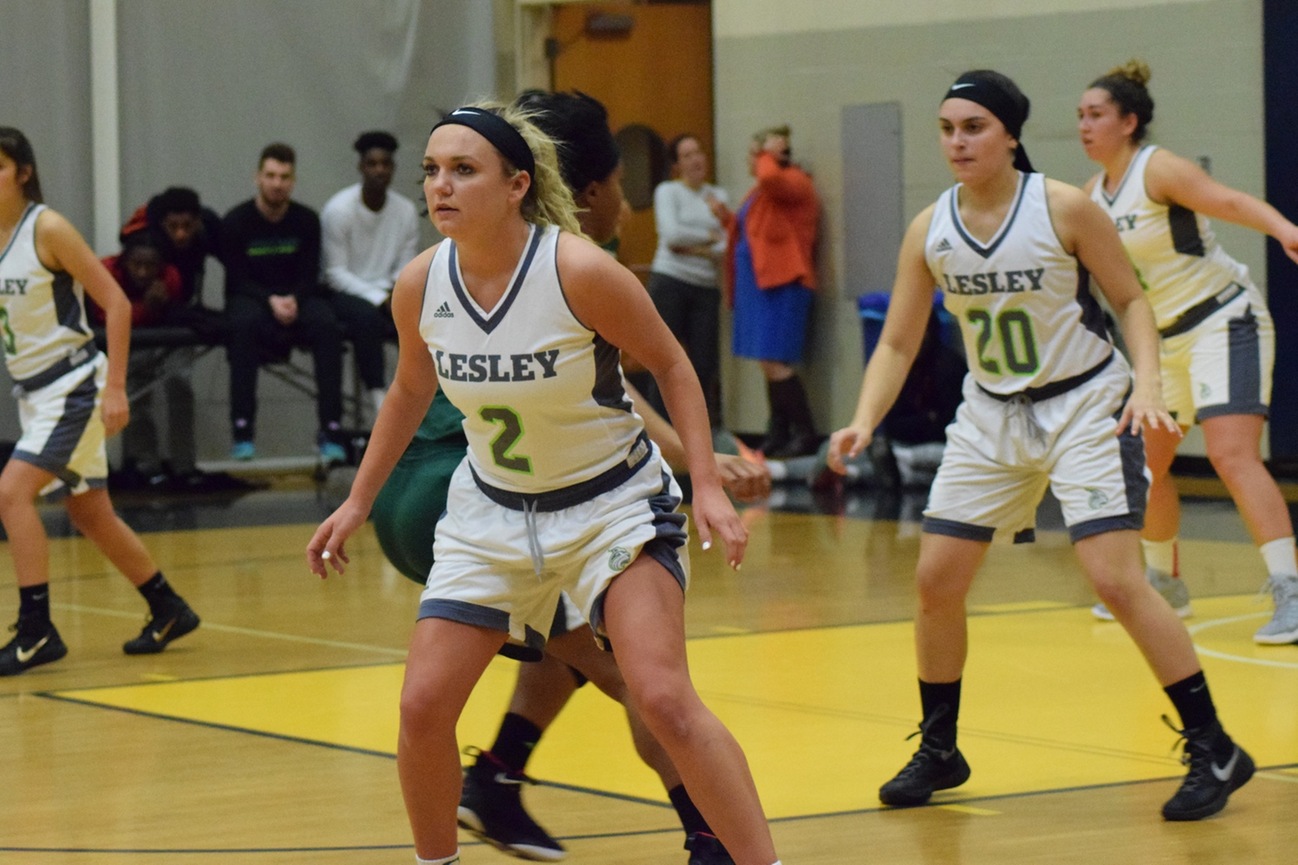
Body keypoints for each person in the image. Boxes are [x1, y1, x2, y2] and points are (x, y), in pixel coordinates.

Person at [308, 102, 782, 865]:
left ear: (516, 185)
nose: (441, 186)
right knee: (423, 706)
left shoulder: (580, 271)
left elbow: (671, 366)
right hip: (490, 513)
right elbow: (407, 391)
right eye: (432, 170)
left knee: (661, 697)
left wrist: (709, 484)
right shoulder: (420, 283)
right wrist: (357, 500)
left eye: (464, 170)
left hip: (611, 507)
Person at [826, 71, 1253, 822]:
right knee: (936, 580)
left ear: (1011, 134)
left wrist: (1148, 386)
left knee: (1116, 579)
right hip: (991, 412)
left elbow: (1131, 301)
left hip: (1086, 402)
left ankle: (1213, 742)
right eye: (947, 128)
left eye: (974, 127)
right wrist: (864, 417)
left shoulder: (1063, 207)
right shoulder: (930, 227)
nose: (957, 141)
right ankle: (940, 746)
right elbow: (898, 338)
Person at [1078, 60, 1298, 643]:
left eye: (1096, 114)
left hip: (1223, 320)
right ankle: (1163, 581)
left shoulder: (1158, 169)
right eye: (1079, 115)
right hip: (1162, 343)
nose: (1084, 125)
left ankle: (1291, 591)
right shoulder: (1087, 198)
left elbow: (1225, 200)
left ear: (1129, 122)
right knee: (1147, 463)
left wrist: (1283, 229)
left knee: (1231, 454)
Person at [0, 127, 200, 676]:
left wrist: (114, 387)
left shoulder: (48, 227)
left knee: (11, 494)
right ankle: (167, 608)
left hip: (73, 386)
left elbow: (114, 302)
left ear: (22, 172)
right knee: (90, 513)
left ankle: (37, 629)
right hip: (35, 393)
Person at [222, 142, 346, 463]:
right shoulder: (236, 221)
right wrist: (270, 300)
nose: (277, 183)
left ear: (293, 181)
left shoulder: (307, 220)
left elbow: (310, 273)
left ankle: (332, 429)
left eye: (284, 177)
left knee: (328, 325)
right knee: (242, 325)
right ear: (257, 178)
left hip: (297, 297)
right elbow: (236, 279)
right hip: (252, 298)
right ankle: (243, 431)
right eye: (271, 175)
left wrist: (294, 299)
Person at [722, 124, 821, 459]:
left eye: (757, 153)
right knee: (767, 362)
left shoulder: (792, 181)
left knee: (775, 362)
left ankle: (806, 433)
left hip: (784, 283)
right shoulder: (762, 193)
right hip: (760, 287)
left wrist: (770, 155)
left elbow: (769, 178)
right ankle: (778, 431)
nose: (753, 161)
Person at [321, 130, 421, 421]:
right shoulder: (338, 210)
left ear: (392, 168)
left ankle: (425, 401)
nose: (379, 170)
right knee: (366, 318)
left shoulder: (405, 211)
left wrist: (395, 294)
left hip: (390, 292)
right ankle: (379, 399)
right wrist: (379, 299)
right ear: (361, 167)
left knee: (427, 315)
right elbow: (334, 272)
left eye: (385, 164)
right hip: (347, 293)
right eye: (372, 163)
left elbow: (407, 266)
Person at [641, 134, 728, 424]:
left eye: (699, 152)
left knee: (704, 363)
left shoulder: (718, 197)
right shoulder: (668, 191)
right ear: (677, 165)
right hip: (670, 281)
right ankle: (661, 431)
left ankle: (701, 429)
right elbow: (671, 236)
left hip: (706, 288)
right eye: (687, 155)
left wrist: (693, 246)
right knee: (663, 357)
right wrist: (708, 239)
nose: (696, 159)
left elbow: (726, 244)